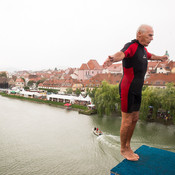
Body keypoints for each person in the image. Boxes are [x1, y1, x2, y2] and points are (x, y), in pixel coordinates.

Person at [103, 24, 168, 161]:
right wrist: (113, 58)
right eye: (150, 35)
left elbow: (151, 56)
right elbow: (122, 53)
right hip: (128, 88)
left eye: (152, 35)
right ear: (140, 34)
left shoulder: (143, 50)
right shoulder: (131, 46)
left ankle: (128, 145)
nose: (152, 38)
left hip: (137, 89)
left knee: (135, 119)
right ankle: (123, 149)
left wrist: (161, 57)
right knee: (127, 121)